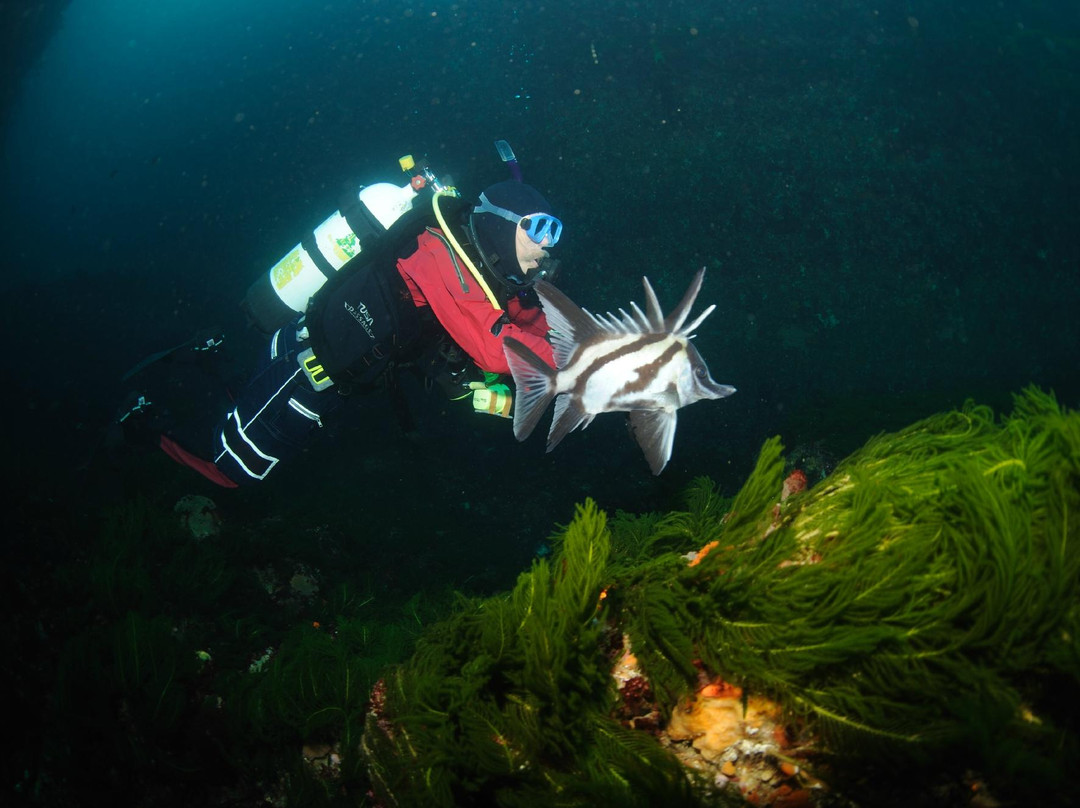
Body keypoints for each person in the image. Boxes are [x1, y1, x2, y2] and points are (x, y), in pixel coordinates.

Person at [122, 174, 564, 488]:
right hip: (308, 369)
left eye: (555, 231)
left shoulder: (482, 269)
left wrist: (580, 343)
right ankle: (142, 424)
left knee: (247, 397)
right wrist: (577, 362)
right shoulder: (438, 252)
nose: (548, 244)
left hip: (311, 355)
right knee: (232, 469)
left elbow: (524, 318)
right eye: (539, 227)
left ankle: (207, 356)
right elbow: (493, 349)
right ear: (500, 223)